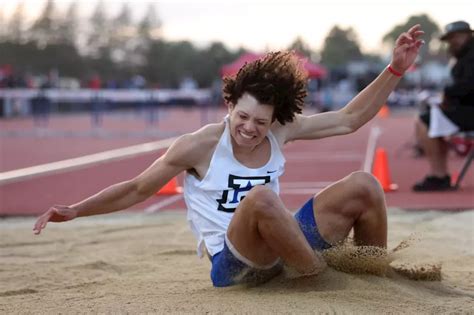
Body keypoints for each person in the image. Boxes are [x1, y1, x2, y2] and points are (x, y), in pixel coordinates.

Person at [33, 25, 424, 287]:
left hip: (283, 244)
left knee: (364, 184)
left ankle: (375, 275)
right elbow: (137, 188)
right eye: (242, 117)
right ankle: (321, 280)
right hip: (235, 262)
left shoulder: (280, 130)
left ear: (275, 118)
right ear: (229, 104)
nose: (250, 128)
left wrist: (394, 69)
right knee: (260, 199)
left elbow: (349, 119)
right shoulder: (197, 145)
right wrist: (76, 209)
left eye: (261, 121)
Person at [413, 21, 474, 191]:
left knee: (424, 122)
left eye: (454, 37)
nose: (451, 42)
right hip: (465, 108)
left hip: (469, 111)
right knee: (430, 120)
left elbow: (469, 86)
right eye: (449, 39)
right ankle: (439, 174)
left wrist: (446, 94)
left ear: (466, 35)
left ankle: (439, 175)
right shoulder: (464, 56)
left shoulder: (470, 56)